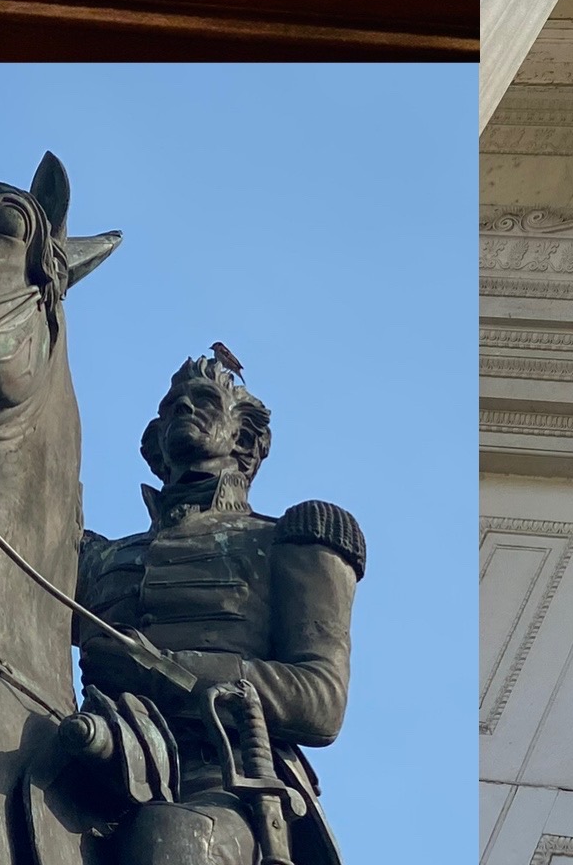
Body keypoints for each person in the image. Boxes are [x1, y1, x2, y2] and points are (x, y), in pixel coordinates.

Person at [76, 356, 361, 865]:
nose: (183, 405)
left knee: (171, 843)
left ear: (244, 440)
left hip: (220, 773)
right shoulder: (97, 559)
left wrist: (161, 672)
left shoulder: (289, 542)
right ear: (155, 441)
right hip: (93, 750)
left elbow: (321, 700)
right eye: (171, 405)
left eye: (205, 399)